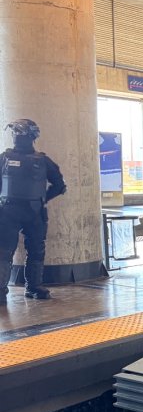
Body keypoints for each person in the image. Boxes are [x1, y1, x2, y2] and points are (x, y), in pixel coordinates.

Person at [0, 119, 67, 305]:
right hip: (24, 211)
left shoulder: (8, 159)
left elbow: (60, 185)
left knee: (16, 251)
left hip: (20, 212)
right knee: (18, 251)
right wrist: (42, 198)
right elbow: (60, 186)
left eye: (18, 134)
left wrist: (42, 199)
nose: (16, 137)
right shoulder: (38, 160)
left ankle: (25, 288)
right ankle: (30, 287)